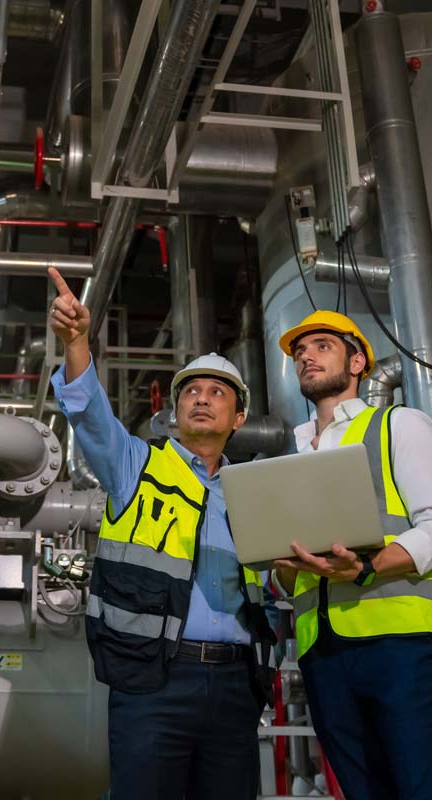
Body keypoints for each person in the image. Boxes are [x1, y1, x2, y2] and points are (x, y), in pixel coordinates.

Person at [46, 267, 277, 800]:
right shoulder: (135, 465)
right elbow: (89, 412)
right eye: (191, 391)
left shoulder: (251, 490)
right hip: (154, 680)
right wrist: (77, 342)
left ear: (237, 417)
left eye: (216, 392)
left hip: (236, 685)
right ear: (174, 412)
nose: (201, 398)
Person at [272, 310, 432, 800]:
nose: (306, 357)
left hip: (400, 643)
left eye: (321, 346)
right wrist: (283, 571)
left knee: (426, 791)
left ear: (357, 361)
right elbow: (284, 578)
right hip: (322, 654)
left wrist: (366, 568)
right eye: (300, 352)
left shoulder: (398, 425)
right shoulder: (288, 455)